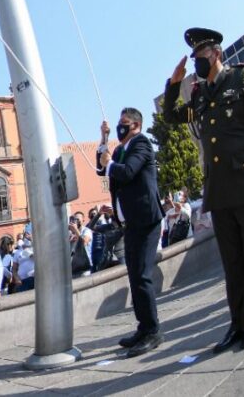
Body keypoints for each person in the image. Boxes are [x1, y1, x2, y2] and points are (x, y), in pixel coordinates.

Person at [163, 27, 244, 352]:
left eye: (201, 55)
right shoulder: (199, 95)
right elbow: (171, 115)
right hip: (218, 187)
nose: (197, 60)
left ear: (217, 54)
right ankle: (235, 324)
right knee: (231, 261)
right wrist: (174, 83)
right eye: (194, 57)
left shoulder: (241, 80)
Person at [97, 108, 165, 357]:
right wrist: (103, 141)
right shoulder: (119, 150)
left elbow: (126, 172)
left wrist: (111, 163)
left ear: (136, 125)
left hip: (146, 221)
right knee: (135, 276)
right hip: (131, 224)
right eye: (118, 123)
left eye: (124, 124)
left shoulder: (142, 144)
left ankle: (153, 330)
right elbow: (101, 169)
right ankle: (143, 327)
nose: (120, 127)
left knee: (143, 276)